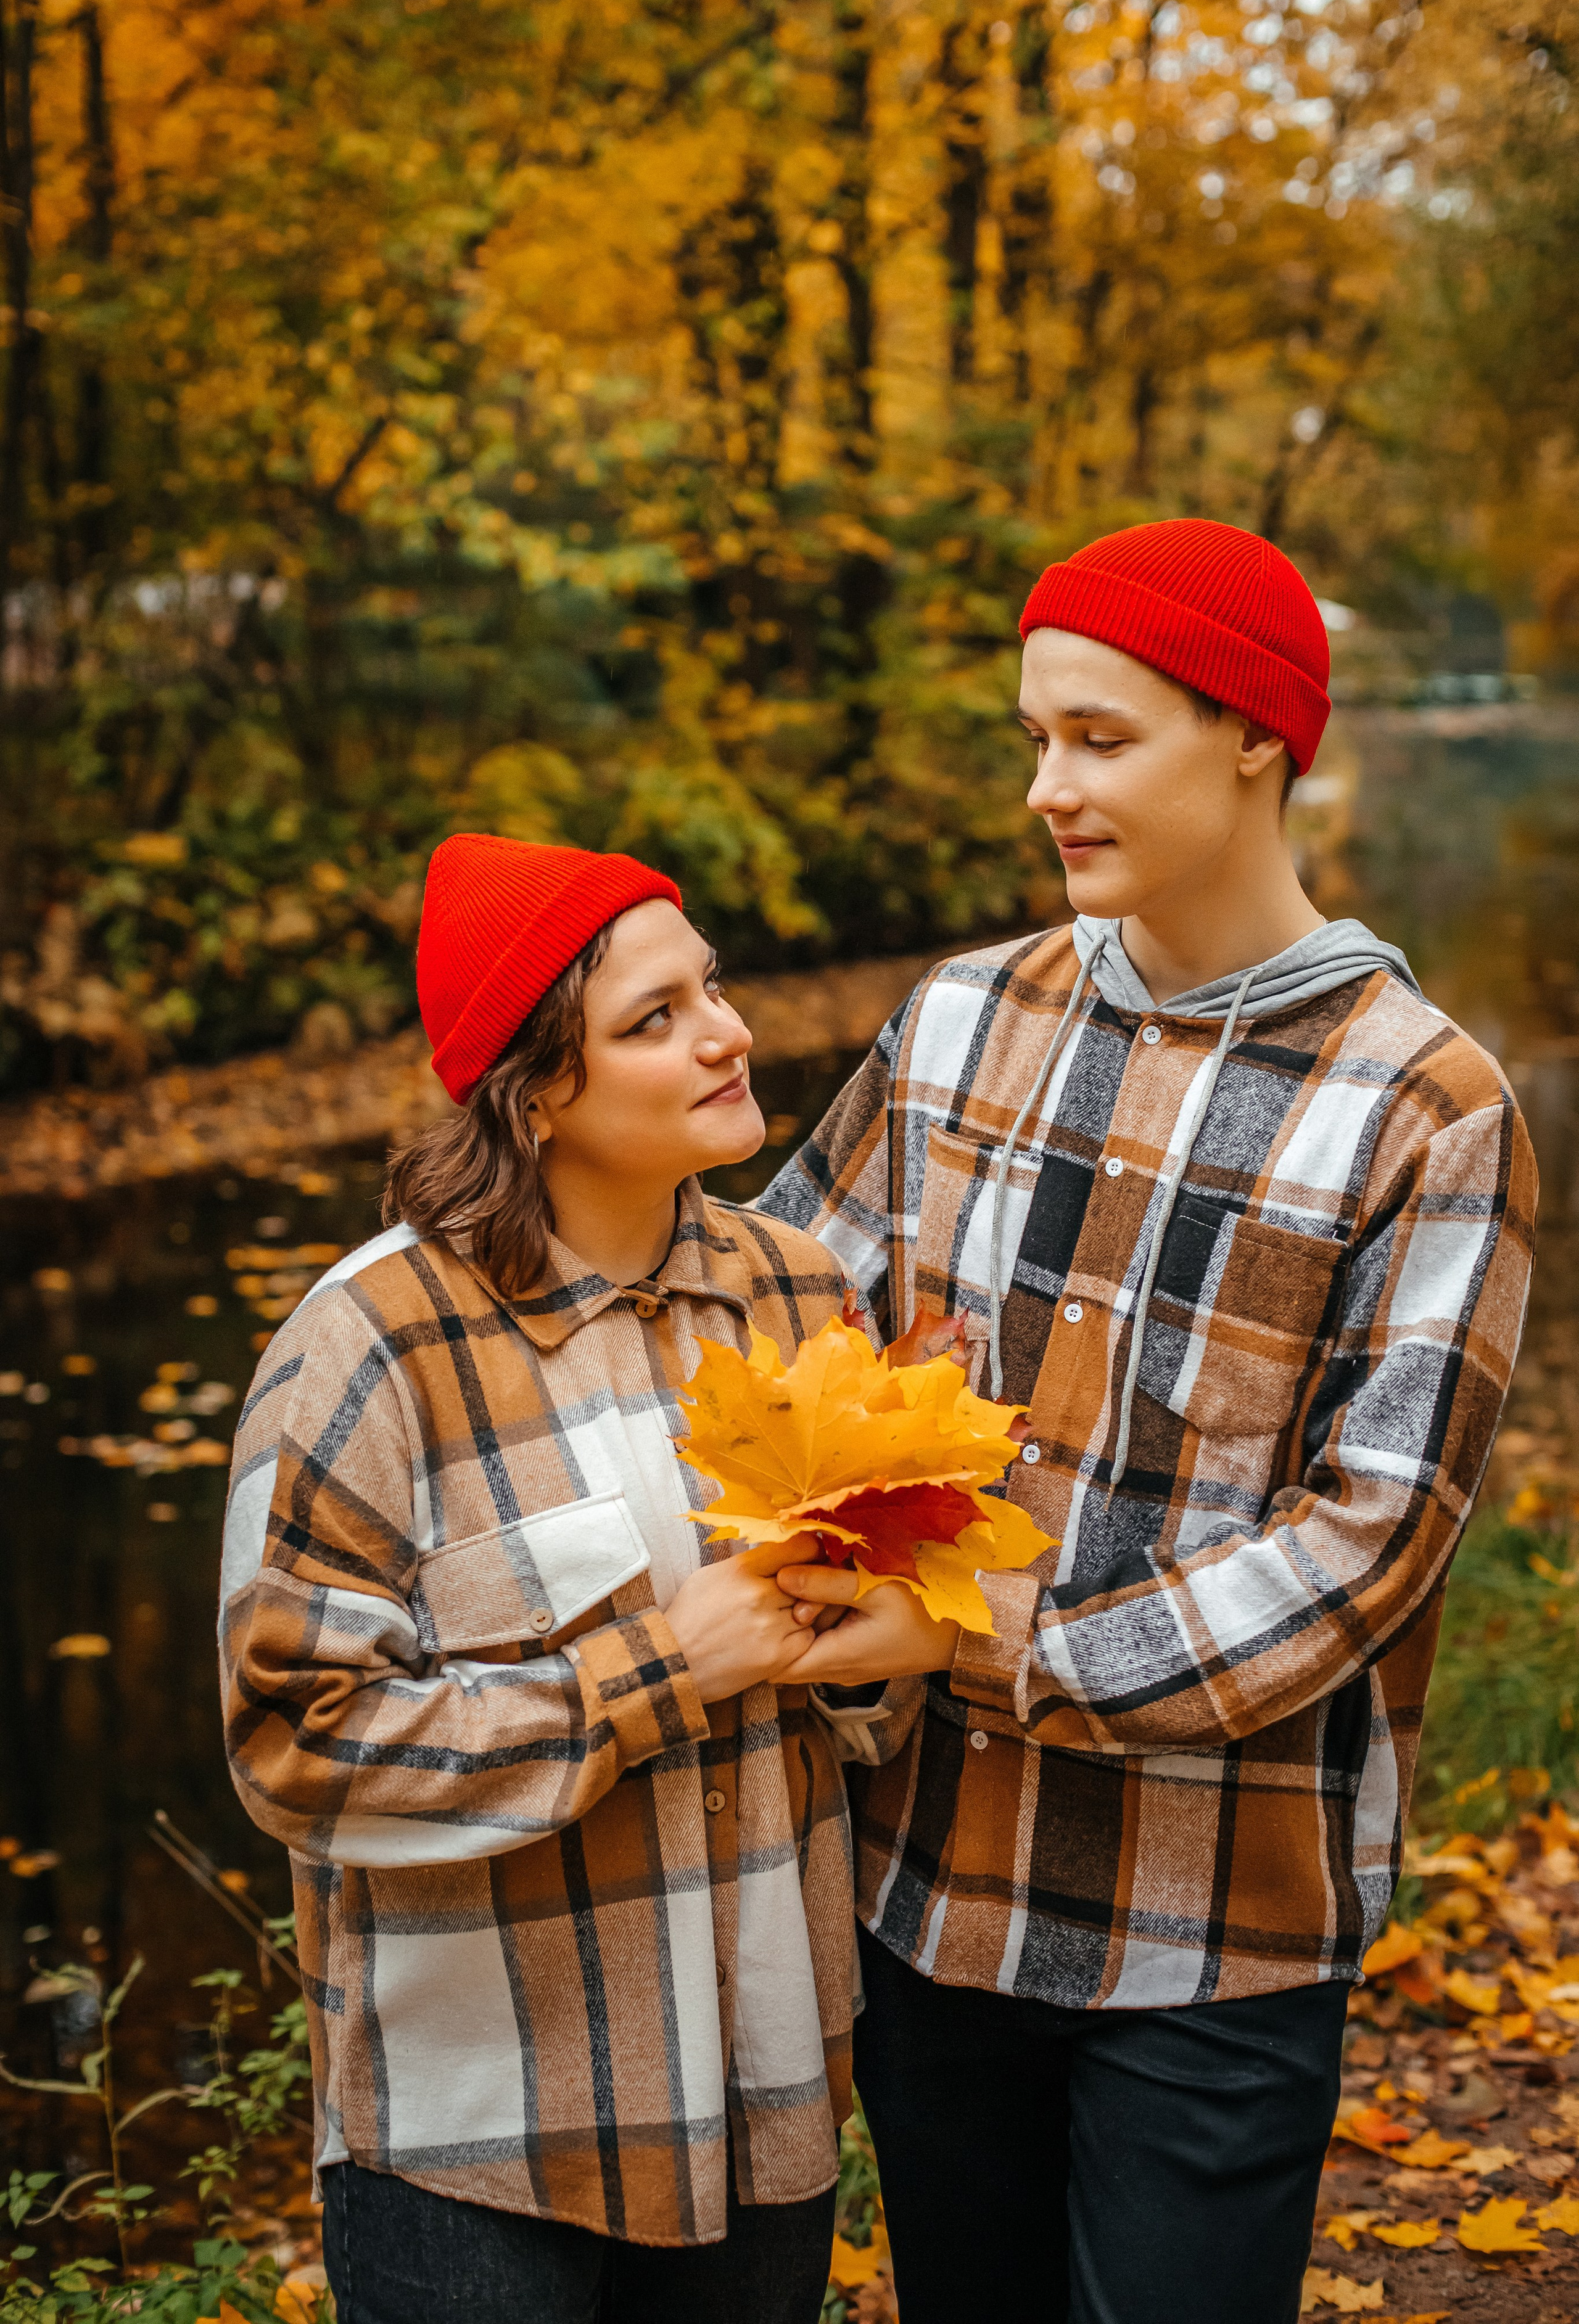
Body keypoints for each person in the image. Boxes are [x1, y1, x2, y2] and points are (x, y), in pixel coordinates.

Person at [762, 518, 1538, 2324]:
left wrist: (992, 1638)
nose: (1050, 788)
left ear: (1255, 733)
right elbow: (776, 1328)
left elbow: (1369, 1548)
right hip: (924, 1891)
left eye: (1100, 741)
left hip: (1220, 1933)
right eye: (1035, 739)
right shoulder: (959, 1020)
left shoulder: (1429, 1104)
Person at [217, 835, 907, 2324]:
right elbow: (298, 1749)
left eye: (707, 985)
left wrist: (881, 1656)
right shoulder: (370, 1349)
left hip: (768, 2095)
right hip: (486, 2146)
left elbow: (863, 1684)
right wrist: (659, 1672)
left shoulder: (795, 1294)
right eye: (651, 1019)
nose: (724, 1031)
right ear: (537, 1094)